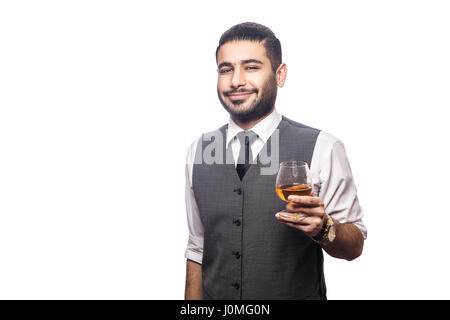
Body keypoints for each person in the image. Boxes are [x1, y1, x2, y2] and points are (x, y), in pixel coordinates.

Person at [184, 22, 367, 300]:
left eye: (252, 67)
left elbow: (354, 246)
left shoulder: (323, 147)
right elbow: (198, 248)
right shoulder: (198, 150)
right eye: (226, 69)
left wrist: (325, 229)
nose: (236, 81)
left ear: (279, 74)